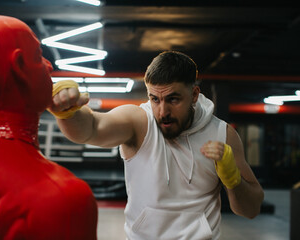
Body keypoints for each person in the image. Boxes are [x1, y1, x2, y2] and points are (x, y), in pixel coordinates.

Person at [48, 50, 264, 239]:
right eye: (155, 99)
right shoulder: (139, 122)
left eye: (173, 99)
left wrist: (233, 178)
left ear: (195, 95)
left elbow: (251, 209)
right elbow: (92, 128)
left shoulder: (222, 134)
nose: (163, 112)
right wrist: (68, 112)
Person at [0, 15, 97, 239]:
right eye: (39, 56)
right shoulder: (64, 196)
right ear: (20, 66)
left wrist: (67, 111)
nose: (49, 65)